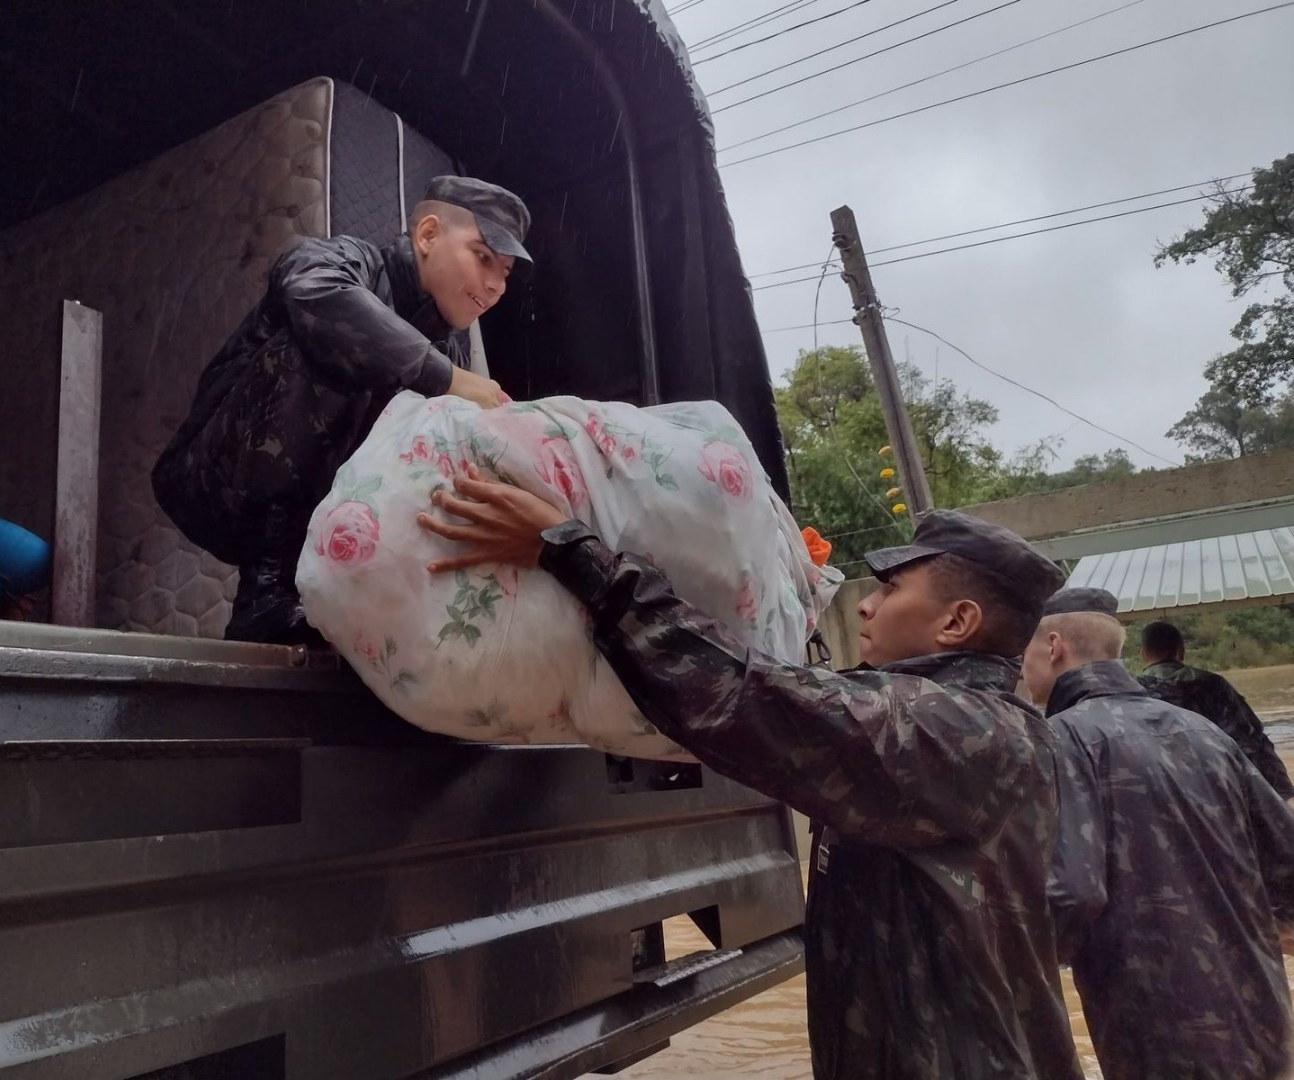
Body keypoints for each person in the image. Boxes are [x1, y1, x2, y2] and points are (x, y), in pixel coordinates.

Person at [417, 485, 1083, 1080]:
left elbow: (753, 700)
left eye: (890, 590)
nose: (866, 608)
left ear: (956, 622)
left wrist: (575, 554)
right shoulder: (966, 725)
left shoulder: (957, 731)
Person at [152, 176, 529, 644]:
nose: (493, 286)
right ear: (428, 235)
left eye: (506, 272)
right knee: (336, 341)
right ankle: (265, 596)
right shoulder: (349, 261)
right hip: (212, 477)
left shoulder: (449, 350)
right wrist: (445, 379)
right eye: (484, 257)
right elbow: (309, 285)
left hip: (321, 523)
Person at [1021, 587, 1294, 1080]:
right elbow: (1286, 865)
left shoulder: (1060, 740)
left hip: (1156, 1025)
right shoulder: (1203, 732)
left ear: (1054, 646)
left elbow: (1070, 894)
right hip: (1261, 1010)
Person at [1137, 619, 1294, 801]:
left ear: (1143, 654)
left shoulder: (1132, 692)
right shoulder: (1213, 685)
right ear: (1181, 651)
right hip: (1217, 791)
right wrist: (1281, 792)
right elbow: (1250, 739)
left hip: (1159, 794)